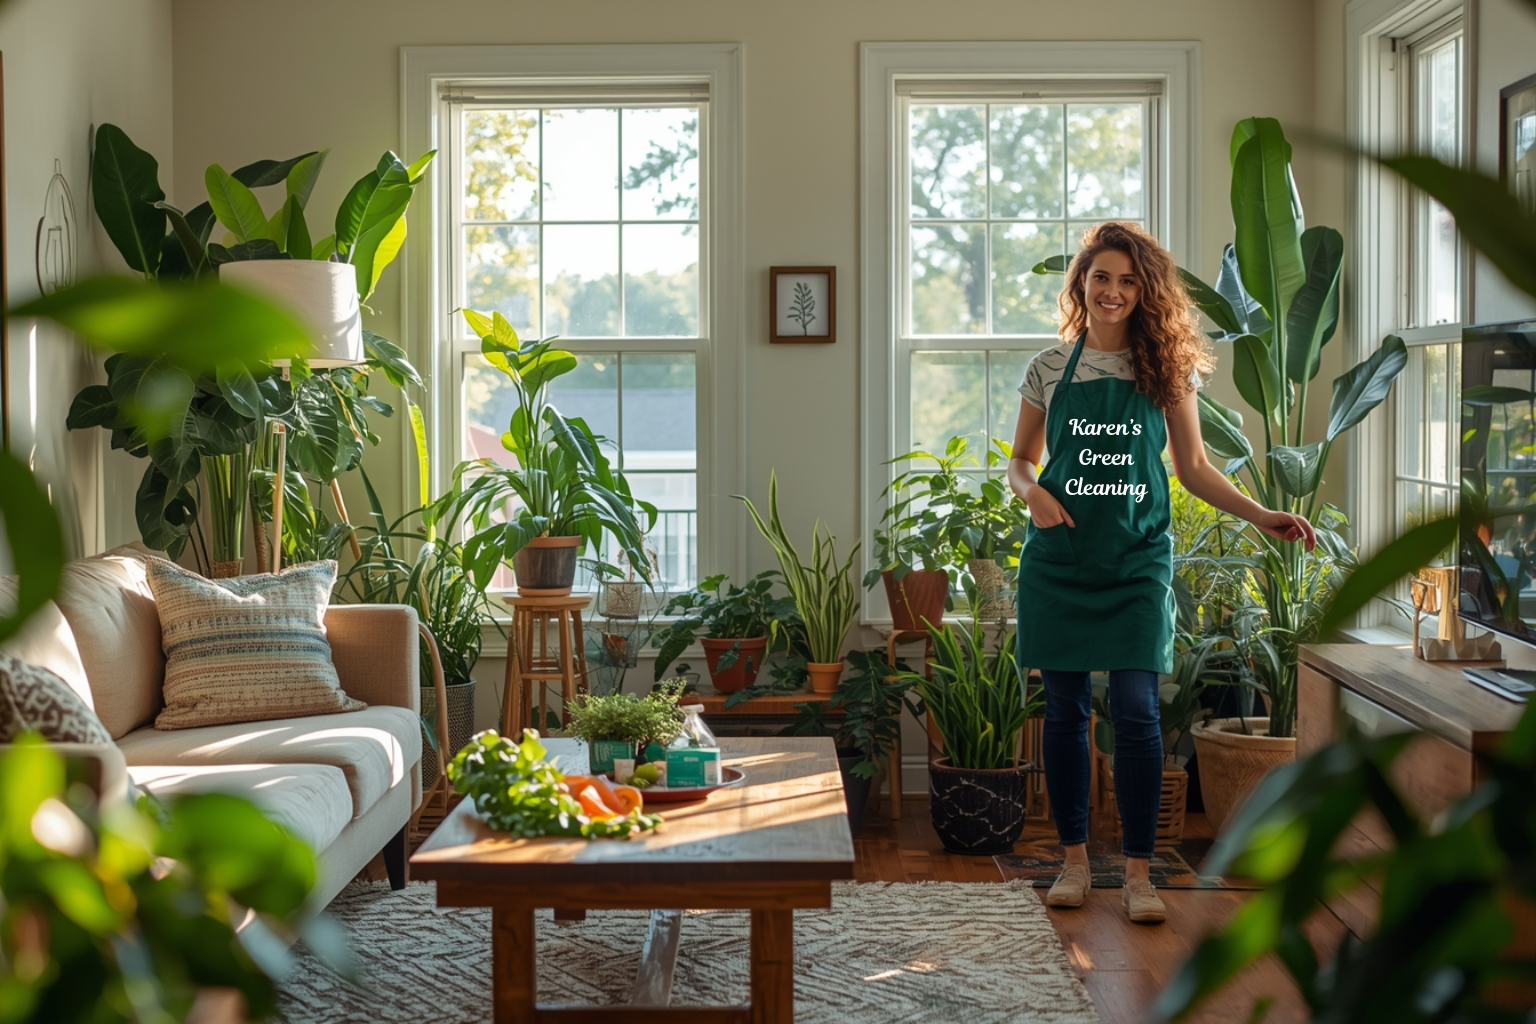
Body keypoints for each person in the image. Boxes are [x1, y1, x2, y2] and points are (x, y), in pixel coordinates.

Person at [1006, 222, 1315, 924]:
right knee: (1064, 714)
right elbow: (1021, 459)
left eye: (1126, 279)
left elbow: (1195, 470)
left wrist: (1262, 513)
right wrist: (1034, 495)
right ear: (1081, 284)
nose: (1112, 291)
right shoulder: (1049, 368)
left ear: (1145, 291)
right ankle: (1075, 863)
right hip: (1059, 564)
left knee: (1141, 714)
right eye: (1100, 277)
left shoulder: (1164, 372)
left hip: (1138, 564)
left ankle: (1140, 874)